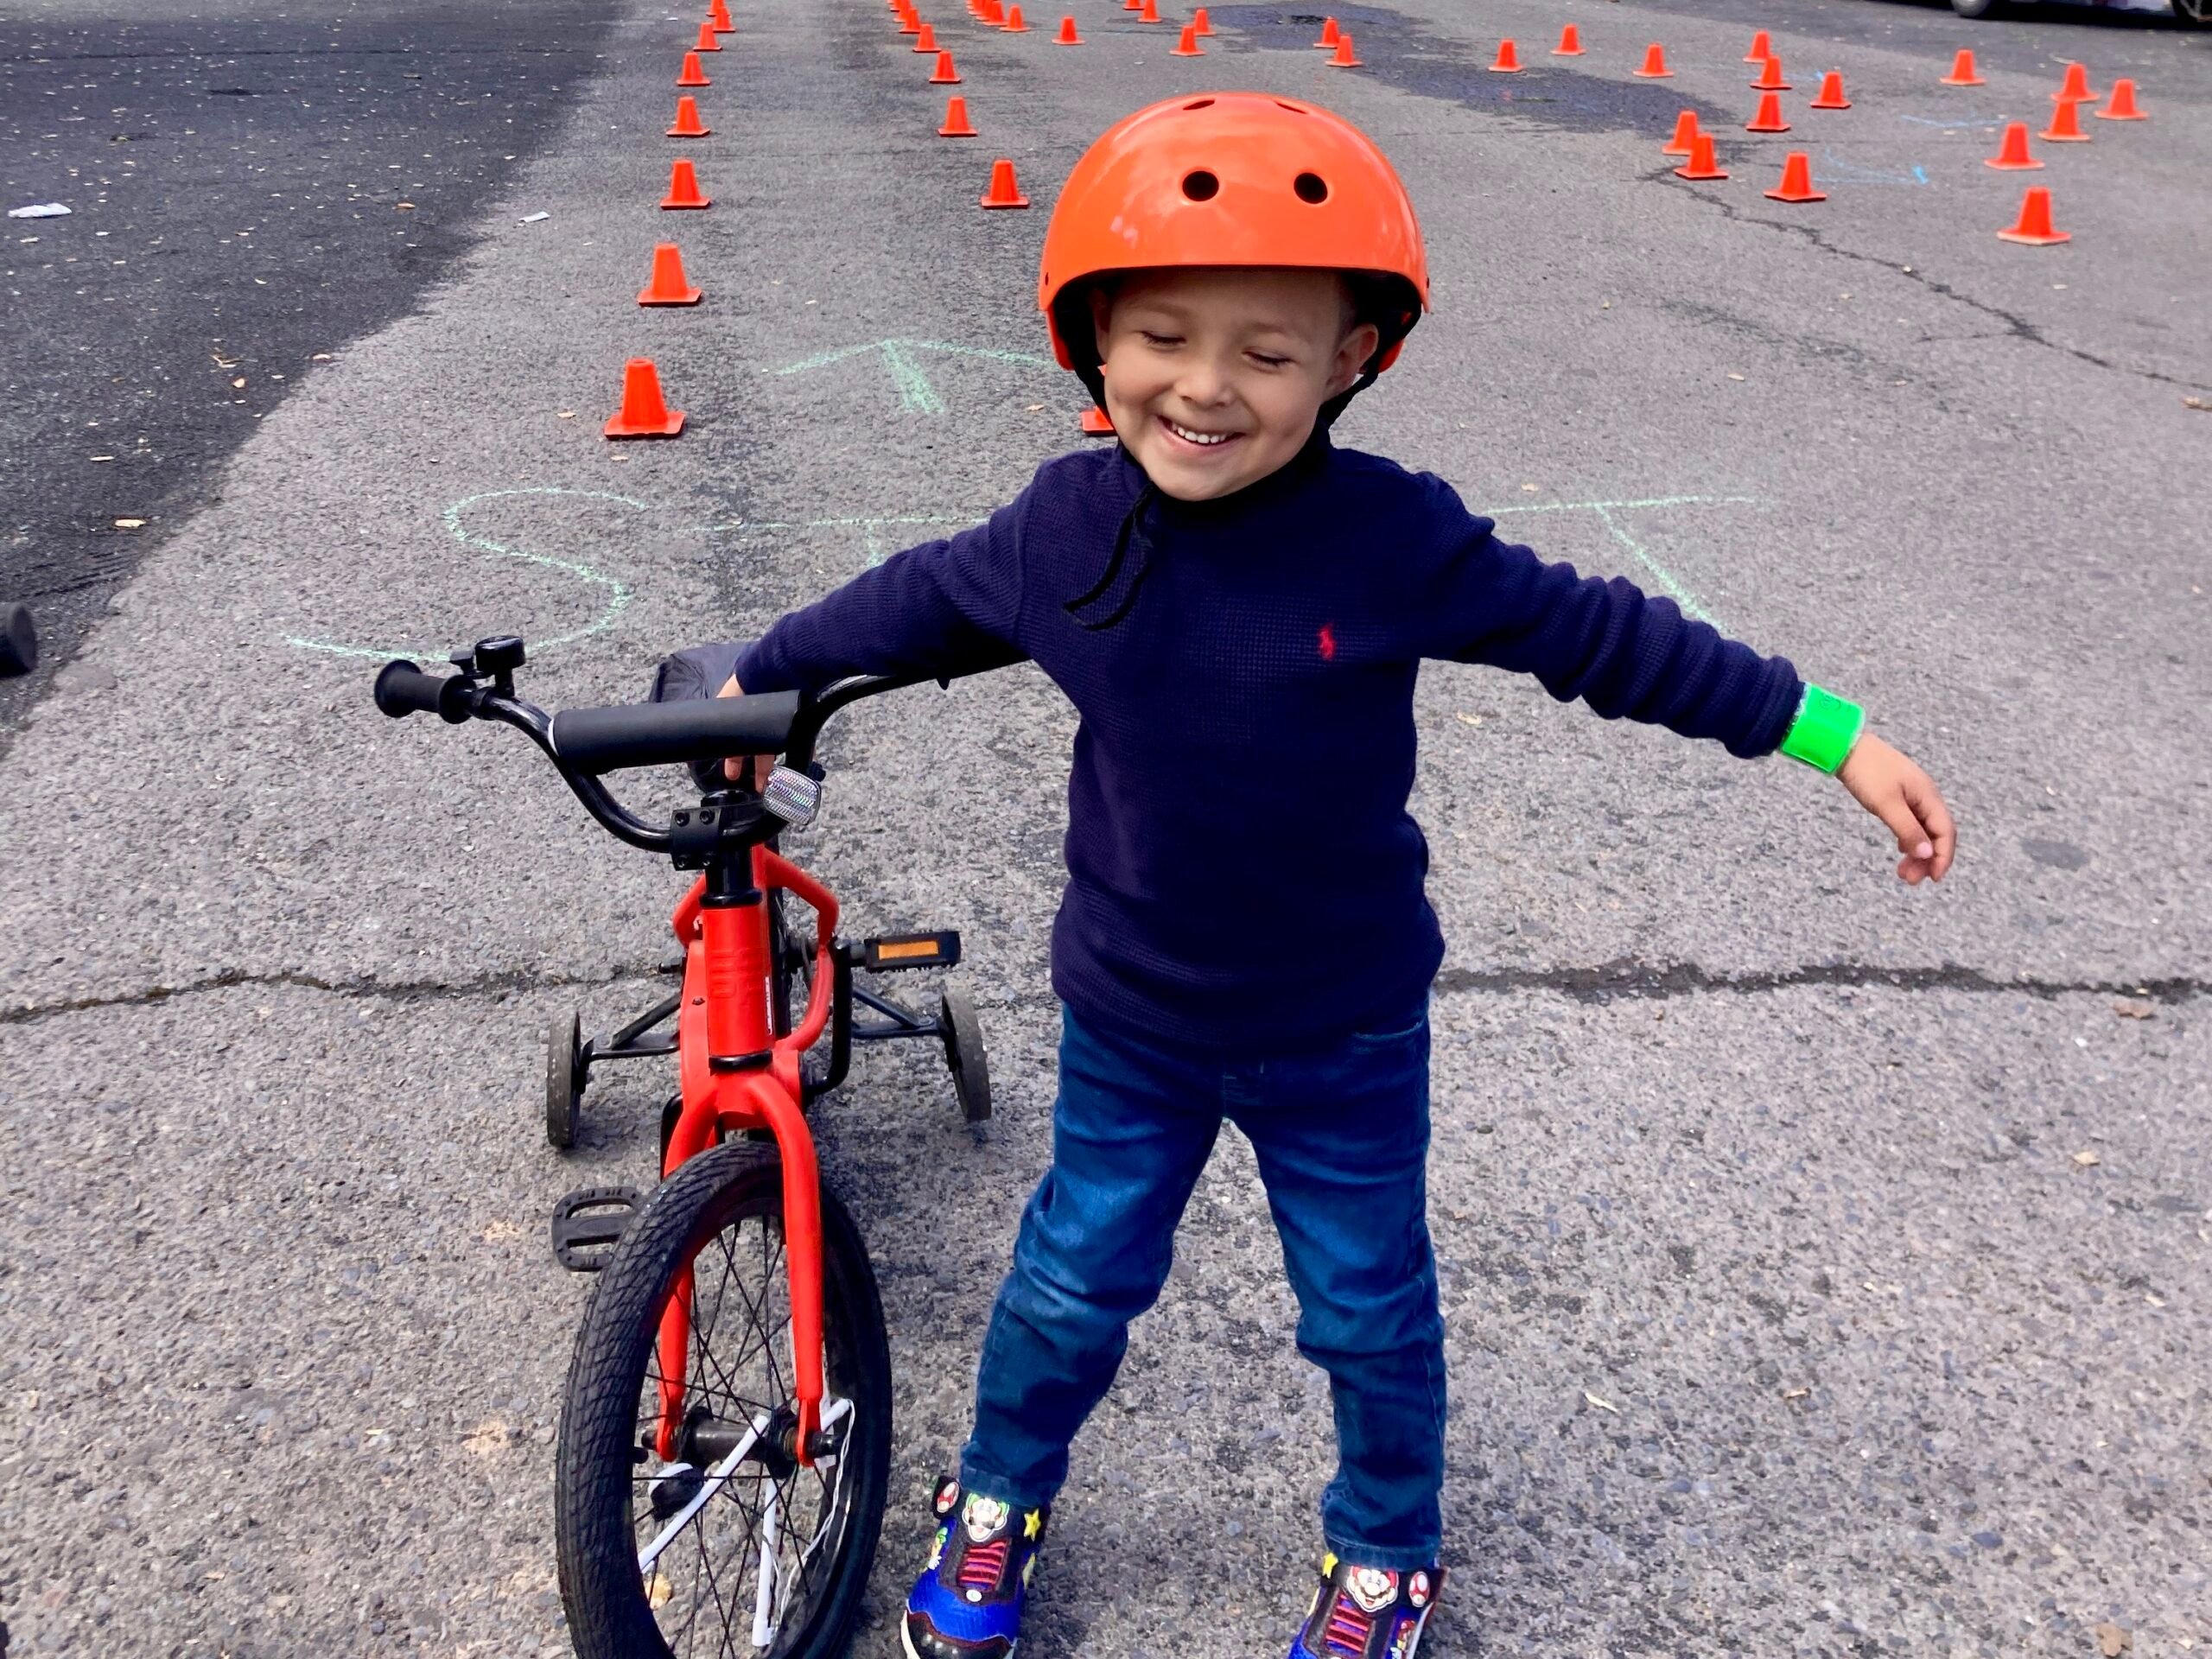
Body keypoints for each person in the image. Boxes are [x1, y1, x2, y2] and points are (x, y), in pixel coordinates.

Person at [712, 92, 1956, 1659]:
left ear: (1354, 360)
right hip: (1135, 1020)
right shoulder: (1063, 529)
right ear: (1091, 340)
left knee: (1367, 1312)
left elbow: (1605, 638)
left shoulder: (1394, 542)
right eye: (1162, 334)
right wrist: (761, 687)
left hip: (1342, 1030)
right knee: (1067, 1286)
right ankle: (997, 1496)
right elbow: (906, 606)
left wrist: (1830, 733)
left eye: (1269, 351)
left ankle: (1385, 1548)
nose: (1207, 387)